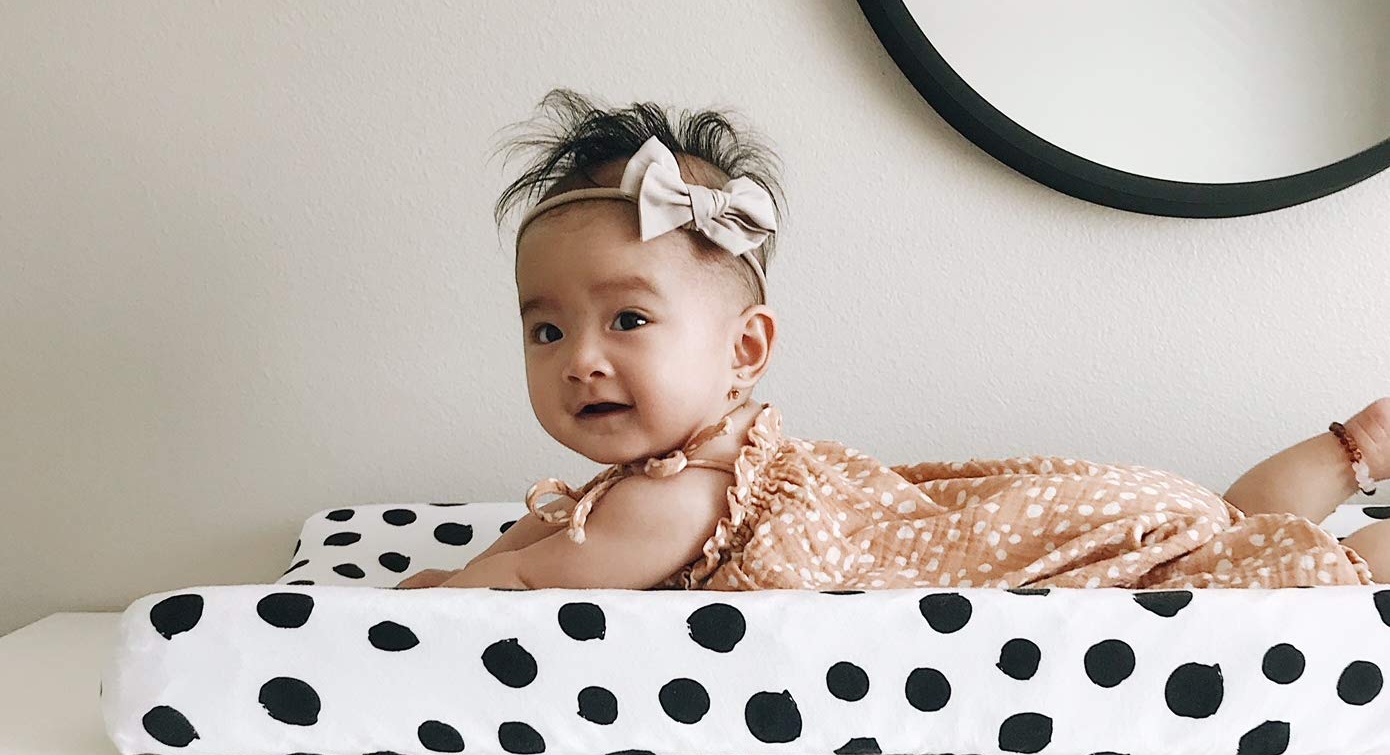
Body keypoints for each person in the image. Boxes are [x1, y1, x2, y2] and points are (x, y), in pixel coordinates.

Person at [398, 89, 1389, 592]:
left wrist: (442, 591)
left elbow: (533, 577)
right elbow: (548, 533)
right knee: (1223, 535)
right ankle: (1352, 449)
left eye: (627, 319)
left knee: (1299, 579)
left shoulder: (676, 501)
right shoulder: (690, 474)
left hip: (1058, 541)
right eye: (546, 328)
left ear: (745, 352)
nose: (580, 358)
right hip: (1094, 508)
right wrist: (489, 558)